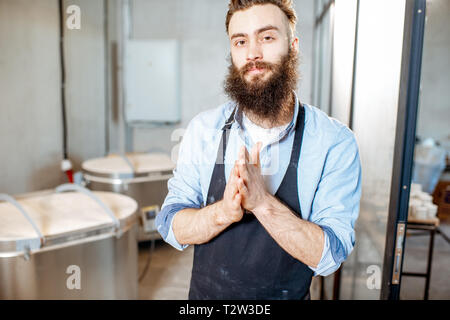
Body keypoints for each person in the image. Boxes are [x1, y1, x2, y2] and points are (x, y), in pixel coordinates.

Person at [156, 0, 361, 300]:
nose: (252, 53)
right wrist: (224, 212)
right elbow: (171, 224)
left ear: (293, 46)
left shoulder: (334, 143)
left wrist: (262, 203)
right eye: (240, 41)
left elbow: (329, 255)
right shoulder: (204, 131)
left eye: (267, 37)